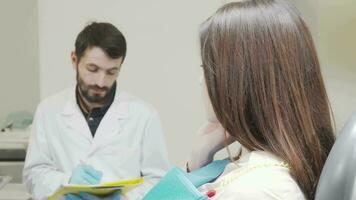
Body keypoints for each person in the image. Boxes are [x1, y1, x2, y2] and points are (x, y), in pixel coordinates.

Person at [144, 0, 335, 200]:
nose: (200, 80)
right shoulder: (255, 170)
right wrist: (197, 160)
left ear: (241, 80)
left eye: (206, 69)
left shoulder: (254, 189)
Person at [23, 22, 170, 200]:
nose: (101, 82)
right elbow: (33, 175)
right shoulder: (48, 110)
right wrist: (67, 181)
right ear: (74, 60)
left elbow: (158, 179)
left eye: (111, 72)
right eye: (93, 69)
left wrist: (126, 199)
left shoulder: (144, 115)